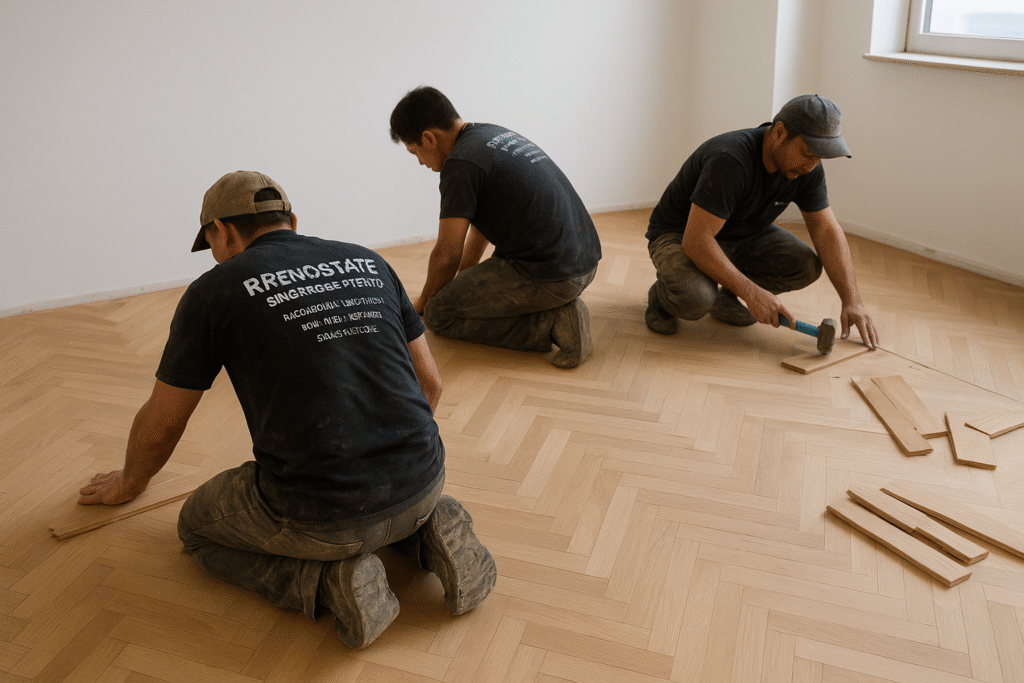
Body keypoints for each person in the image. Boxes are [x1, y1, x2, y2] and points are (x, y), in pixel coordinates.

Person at [77, 171, 496, 649]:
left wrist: (129, 483)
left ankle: (328, 583)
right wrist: (387, 459)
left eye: (210, 241)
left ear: (222, 231)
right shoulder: (367, 260)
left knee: (197, 528)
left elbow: (165, 421)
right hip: (427, 479)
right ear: (292, 221)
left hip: (320, 515)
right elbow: (431, 385)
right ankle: (430, 529)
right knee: (390, 508)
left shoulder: (214, 292)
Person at [389, 86, 602, 369]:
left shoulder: (460, 164)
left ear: (429, 138)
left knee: (441, 314)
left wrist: (425, 303)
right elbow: (484, 226)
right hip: (584, 260)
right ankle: (556, 307)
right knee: (453, 299)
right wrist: (465, 281)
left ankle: (556, 323)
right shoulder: (488, 135)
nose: (420, 162)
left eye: (415, 151)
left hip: (553, 274)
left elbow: (446, 254)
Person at [644, 94, 879, 349]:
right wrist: (752, 292)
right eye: (807, 152)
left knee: (805, 265)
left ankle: (726, 299)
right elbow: (696, 240)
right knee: (696, 297)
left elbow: (826, 230)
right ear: (779, 132)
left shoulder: (806, 169)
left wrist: (852, 300)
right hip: (681, 234)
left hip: (743, 233)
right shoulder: (730, 159)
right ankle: (661, 298)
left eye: (819, 158)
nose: (811, 166)